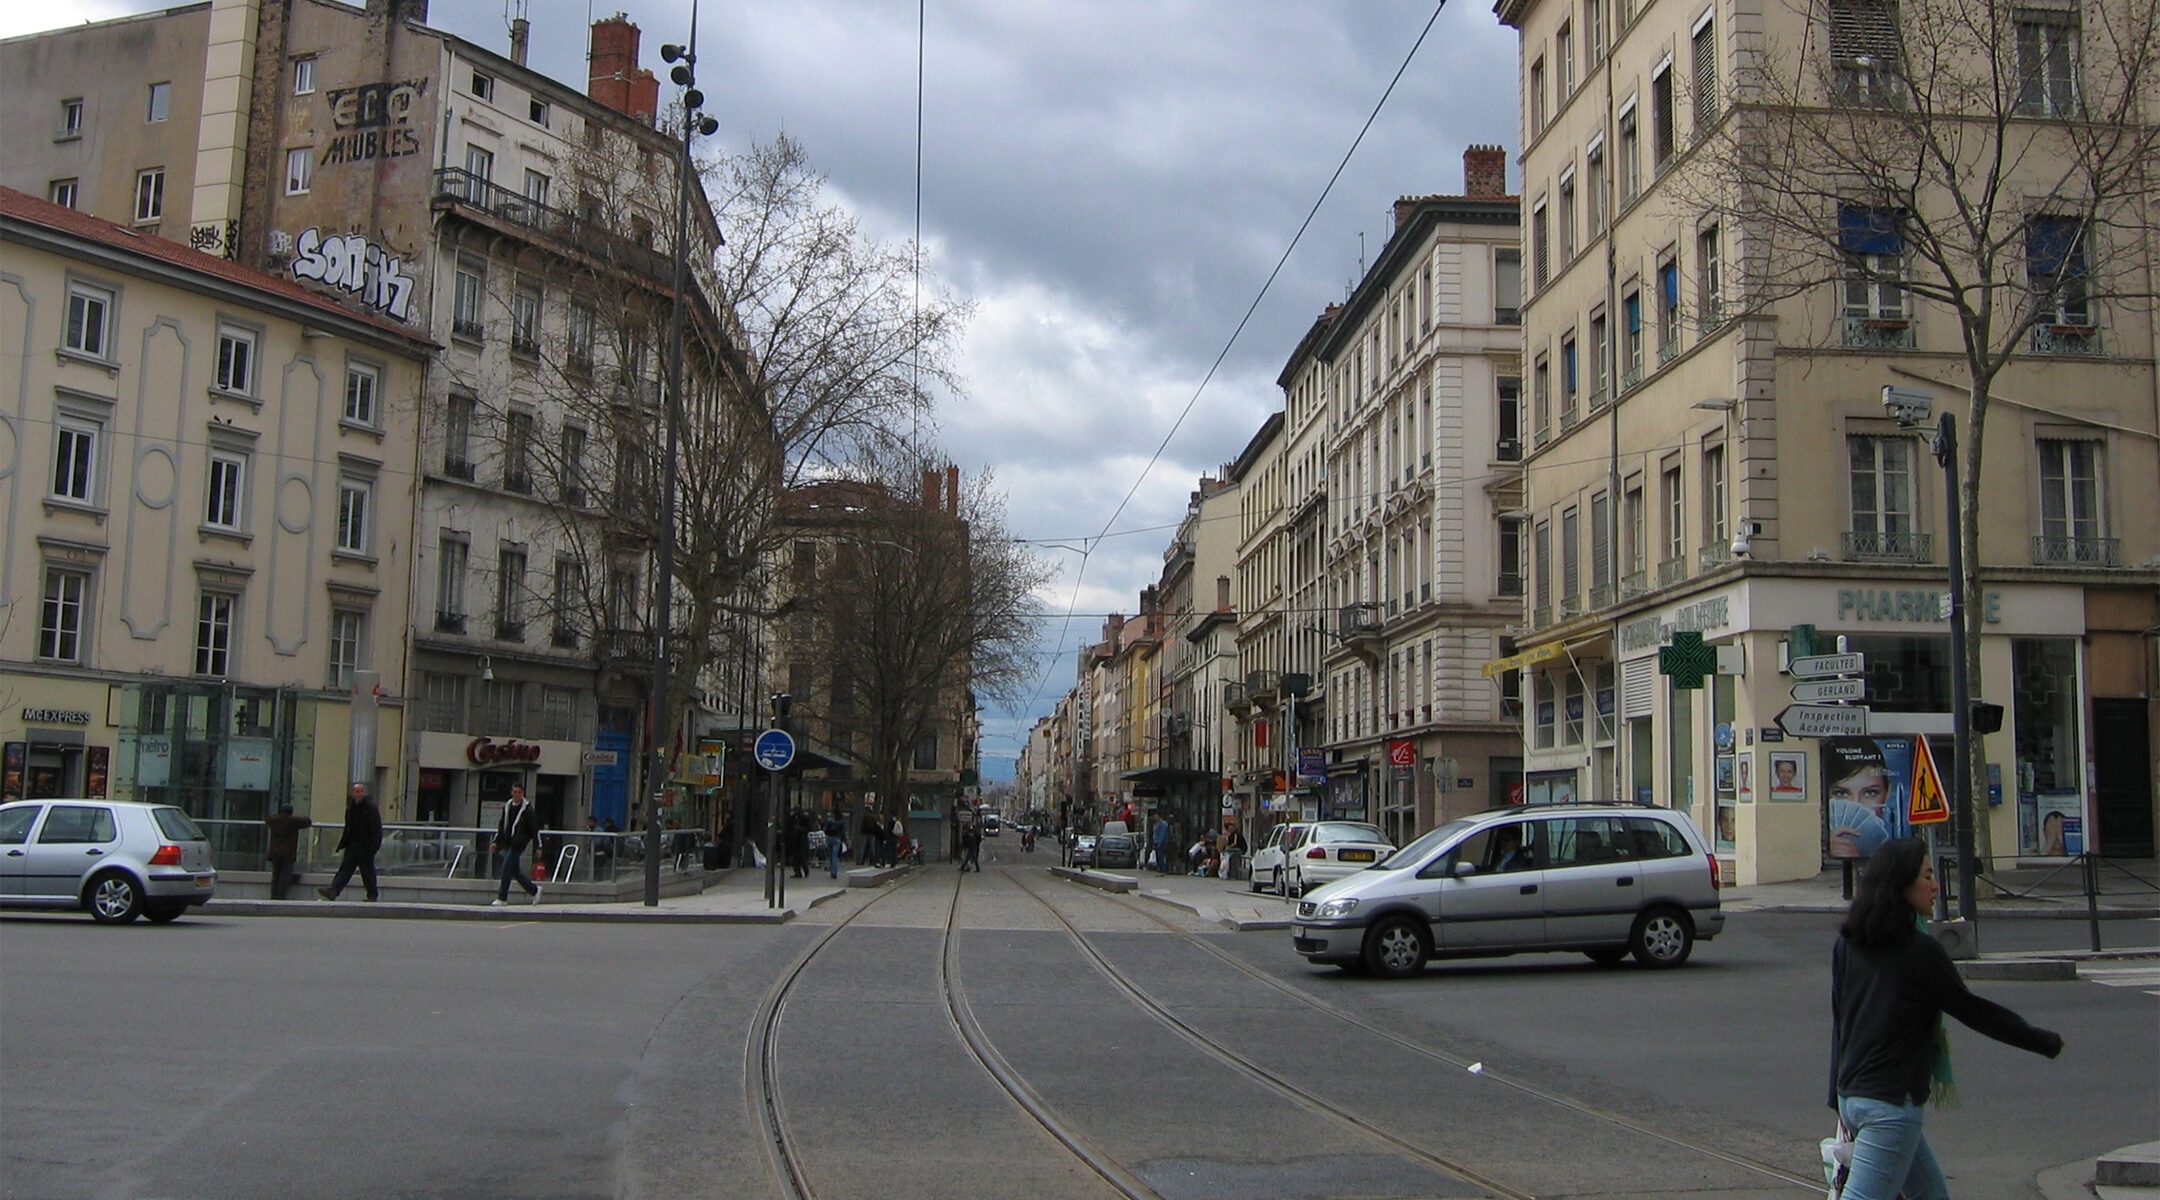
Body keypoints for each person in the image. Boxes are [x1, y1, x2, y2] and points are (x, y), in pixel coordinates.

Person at [1829, 838, 2064, 1199]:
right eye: (1927, 875)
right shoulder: (1920, 951)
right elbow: (1972, 1010)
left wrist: (1838, 1094)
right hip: (1890, 1105)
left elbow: (1841, 1021)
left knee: (1932, 1195)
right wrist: (2039, 1039)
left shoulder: (1849, 942)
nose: (1936, 885)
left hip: (1855, 1097)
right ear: (1901, 883)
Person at [1826, 739, 1895, 859]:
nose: (1856, 805)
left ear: (1887, 792)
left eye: (1870, 793)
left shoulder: (1900, 854)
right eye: (1841, 793)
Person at [318, 782, 382, 901]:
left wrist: (374, 846)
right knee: (346, 868)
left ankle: (372, 895)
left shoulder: (370, 808)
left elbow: (376, 828)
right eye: (357, 792)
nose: (359, 794)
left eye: (361, 791)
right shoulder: (351, 807)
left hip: (366, 845)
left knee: (367, 871)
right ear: (353, 793)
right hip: (353, 844)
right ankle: (333, 890)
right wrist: (344, 842)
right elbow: (349, 827)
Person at [491, 784, 543, 905]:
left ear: (523, 793)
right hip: (507, 842)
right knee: (514, 871)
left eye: (519, 792)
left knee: (506, 868)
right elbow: (502, 825)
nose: (516, 795)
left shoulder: (528, 810)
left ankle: (502, 897)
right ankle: (534, 890)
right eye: (514, 792)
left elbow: (534, 829)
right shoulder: (508, 806)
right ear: (511, 792)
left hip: (518, 844)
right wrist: (496, 841)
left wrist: (538, 846)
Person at [264, 803, 312, 899]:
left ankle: (273, 896)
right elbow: (307, 821)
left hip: (275, 853)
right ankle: (281, 896)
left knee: (275, 876)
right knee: (285, 877)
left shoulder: (273, 820)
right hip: (288, 853)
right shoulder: (293, 821)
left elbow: (267, 819)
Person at [822, 809, 846, 878]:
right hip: (837, 839)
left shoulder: (829, 821)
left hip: (830, 838)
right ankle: (834, 872)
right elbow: (843, 832)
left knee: (831, 855)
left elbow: (825, 830)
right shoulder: (841, 822)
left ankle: (831, 868)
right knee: (835, 856)